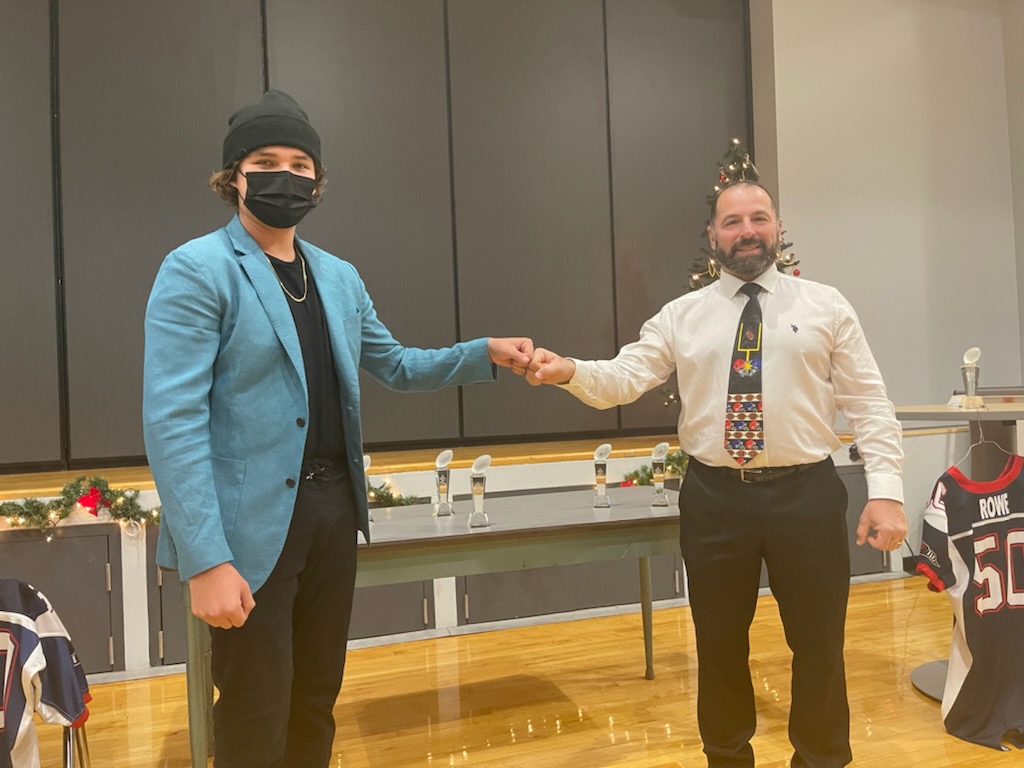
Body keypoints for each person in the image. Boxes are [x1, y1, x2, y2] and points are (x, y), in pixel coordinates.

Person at [142, 89, 533, 768]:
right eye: (267, 162)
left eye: (301, 164)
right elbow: (172, 420)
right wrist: (206, 559)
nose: (286, 176)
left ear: (317, 180)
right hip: (246, 529)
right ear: (234, 176)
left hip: (332, 515)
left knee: (315, 700)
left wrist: (484, 353)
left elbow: (397, 365)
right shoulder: (197, 269)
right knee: (254, 710)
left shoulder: (338, 277)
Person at [527, 180, 907, 768]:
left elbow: (870, 403)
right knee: (719, 646)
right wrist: (569, 370)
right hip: (715, 501)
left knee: (819, 647)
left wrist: (886, 492)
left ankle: (822, 760)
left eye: (759, 218)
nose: (747, 231)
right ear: (712, 236)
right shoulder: (682, 316)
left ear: (777, 227)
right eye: (732, 222)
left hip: (807, 496)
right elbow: (625, 377)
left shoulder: (826, 306)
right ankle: (727, 759)